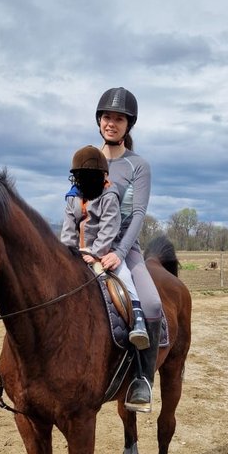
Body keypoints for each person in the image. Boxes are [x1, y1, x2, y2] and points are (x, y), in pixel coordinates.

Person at [92, 87, 161, 414]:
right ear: (99, 120)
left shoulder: (138, 165)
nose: (111, 123)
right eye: (107, 117)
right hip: (87, 244)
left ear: (127, 125)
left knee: (151, 302)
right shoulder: (87, 159)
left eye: (118, 118)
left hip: (125, 247)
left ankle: (142, 380)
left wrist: (118, 252)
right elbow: (75, 205)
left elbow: (137, 214)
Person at [60, 146, 150, 351]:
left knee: (124, 275)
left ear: (103, 176)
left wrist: (96, 253)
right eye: (82, 176)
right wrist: (68, 253)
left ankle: (137, 319)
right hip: (78, 254)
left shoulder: (109, 196)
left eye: (91, 176)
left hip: (105, 251)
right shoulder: (72, 197)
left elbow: (109, 227)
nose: (86, 179)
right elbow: (68, 229)